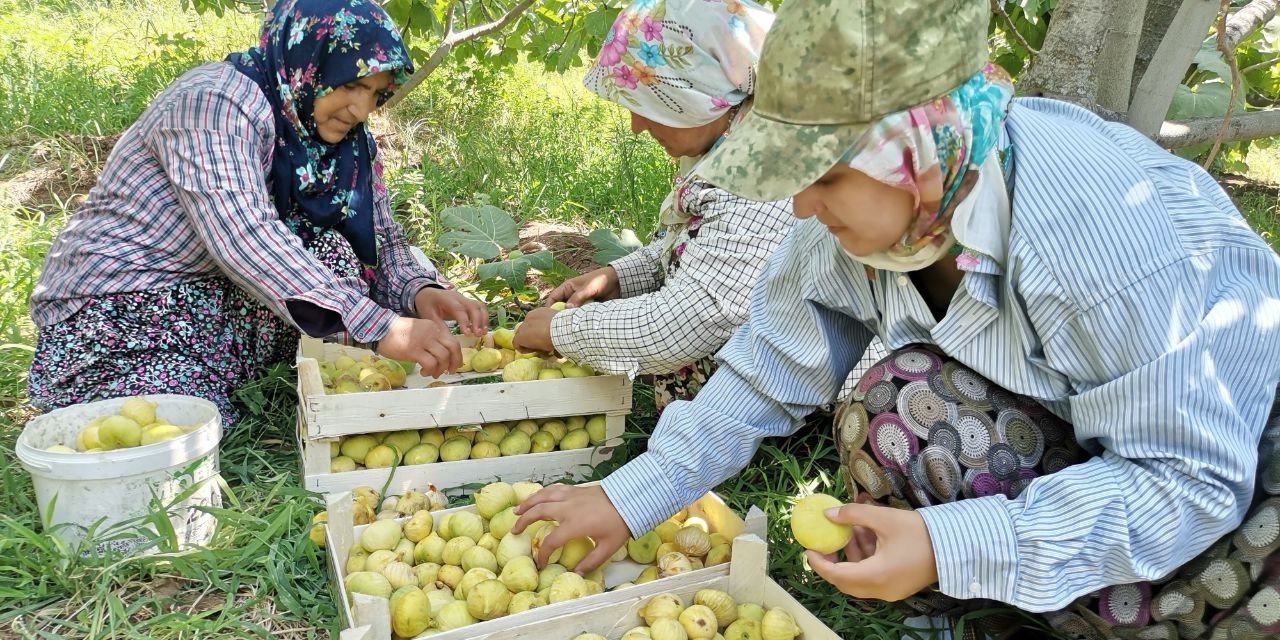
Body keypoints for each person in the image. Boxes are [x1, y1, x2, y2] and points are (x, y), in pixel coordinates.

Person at [513, 0, 1280, 637]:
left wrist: (953, 543)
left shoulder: (1099, 236)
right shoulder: (886, 211)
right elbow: (766, 367)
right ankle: (1010, 599)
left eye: (827, 177)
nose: (803, 206)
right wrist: (635, 493)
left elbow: (1189, 478)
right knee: (896, 402)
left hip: (1231, 460)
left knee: (1201, 593)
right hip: (1090, 427)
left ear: (915, 148)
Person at [28, 0, 486, 426]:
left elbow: (381, 234)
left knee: (338, 251)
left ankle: (251, 369)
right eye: (349, 85)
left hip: (214, 295)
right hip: (126, 303)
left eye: (375, 93)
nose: (361, 109)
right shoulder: (214, 102)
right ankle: (118, 385)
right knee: (170, 421)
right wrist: (380, 324)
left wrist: (419, 290)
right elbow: (245, 236)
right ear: (309, 62)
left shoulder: (342, 137)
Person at [510, 0, 801, 412]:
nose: (637, 125)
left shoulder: (763, 170)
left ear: (701, 96)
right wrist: (617, 276)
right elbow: (696, 248)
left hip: (800, 387)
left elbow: (685, 323)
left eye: (650, 105)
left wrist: (561, 331)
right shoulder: (728, 139)